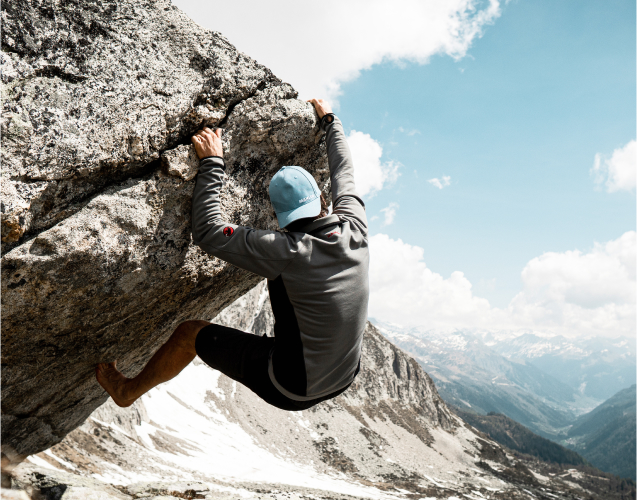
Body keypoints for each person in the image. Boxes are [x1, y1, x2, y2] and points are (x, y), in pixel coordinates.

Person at [96, 99, 369, 411]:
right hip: (345, 376)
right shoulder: (354, 224)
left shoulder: (285, 250)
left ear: (280, 219)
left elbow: (209, 233)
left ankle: (126, 391)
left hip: (291, 387)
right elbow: (344, 170)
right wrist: (332, 122)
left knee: (189, 333)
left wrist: (212, 163)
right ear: (323, 199)